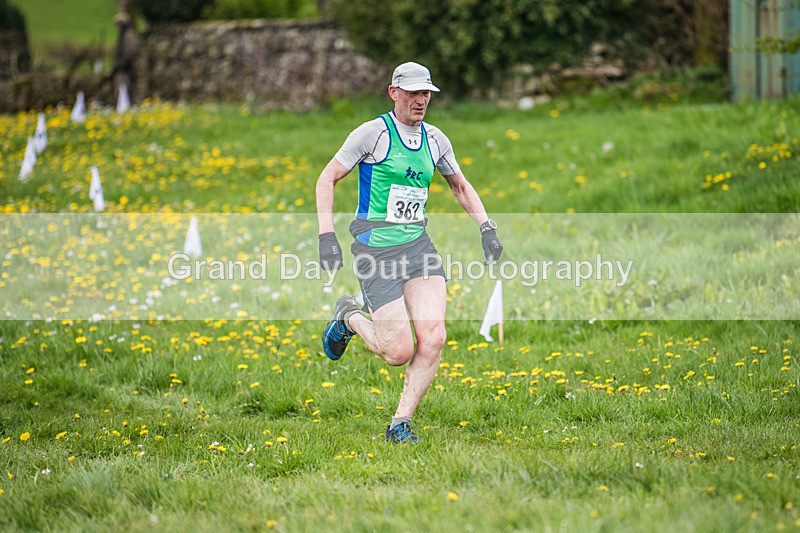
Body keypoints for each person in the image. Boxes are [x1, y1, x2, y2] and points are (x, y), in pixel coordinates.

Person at [315, 61, 503, 444]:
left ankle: (400, 422)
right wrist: (325, 235)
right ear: (393, 92)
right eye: (414, 93)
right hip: (376, 250)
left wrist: (486, 228)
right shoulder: (373, 133)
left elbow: (460, 187)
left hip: (418, 247)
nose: (421, 100)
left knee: (433, 337)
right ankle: (349, 315)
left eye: (426, 94)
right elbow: (327, 177)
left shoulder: (435, 140)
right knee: (398, 350)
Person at [111, 11, 138, 102]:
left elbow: (129, 52)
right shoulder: (123, 35)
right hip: (122, 68)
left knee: (123, 93)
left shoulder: (128, 35)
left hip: (125, 70)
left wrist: (120, 64)